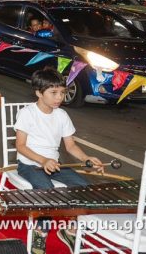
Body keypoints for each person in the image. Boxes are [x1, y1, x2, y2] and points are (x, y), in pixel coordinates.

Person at [15, 67, 104, 254]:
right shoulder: (27, 113)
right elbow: (21, 146)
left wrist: (86, 158)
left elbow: (70, 146)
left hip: (54, 165)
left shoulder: (62, 115)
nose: (59, 97)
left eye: (62, 92)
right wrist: (43, 160)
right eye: (54, 93)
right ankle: (41, 231)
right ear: (39, 93)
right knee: (47, 191)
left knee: (85, 187)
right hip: (30, 164)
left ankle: (70, 230)